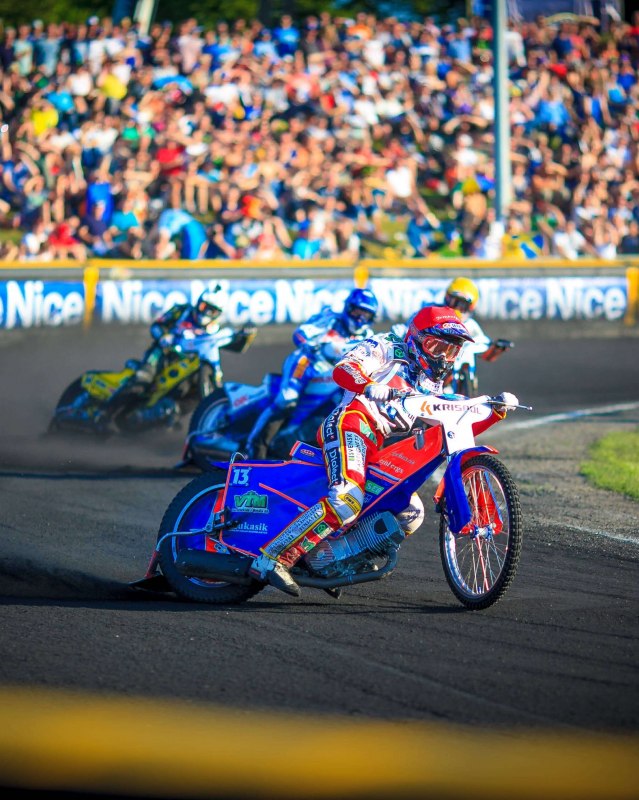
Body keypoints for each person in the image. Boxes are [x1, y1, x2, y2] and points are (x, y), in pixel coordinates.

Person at [248, 304, 517, 597]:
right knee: (347, 499)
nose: (443, 357)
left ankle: (328, 561)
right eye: (436, 346)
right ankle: (272, 557)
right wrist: (369, 385)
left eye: (451, 351)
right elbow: (344, 368)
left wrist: (493, 410)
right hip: (351, 423)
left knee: (412, 512)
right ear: (416, 338)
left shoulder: (432, 383)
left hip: (381, 446)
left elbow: (454, 423)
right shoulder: (386, 345)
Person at [244, 288, 379, 460]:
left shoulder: (369, 337)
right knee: (287, 399)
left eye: (366, 315)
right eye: (357, 311)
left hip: (337, 376)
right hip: (308, 363)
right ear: (348, 308)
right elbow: (301, 333)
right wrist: (310, 344)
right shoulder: (331, 319)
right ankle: (254, 448)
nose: (360, 318)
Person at [97, 288, 251, 426]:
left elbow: (235, 345)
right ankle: (105, 413)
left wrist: (246, 336)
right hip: (163, 354)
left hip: (189, 365)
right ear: (199, 303)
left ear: (218, 314)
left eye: (212, 311)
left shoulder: (214, 332)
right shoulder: (181, 311)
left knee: (194, 394)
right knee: (142, 380)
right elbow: (157, 326)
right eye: (205, 307)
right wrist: (164, 336)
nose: (206, 313)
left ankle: (169, 415)